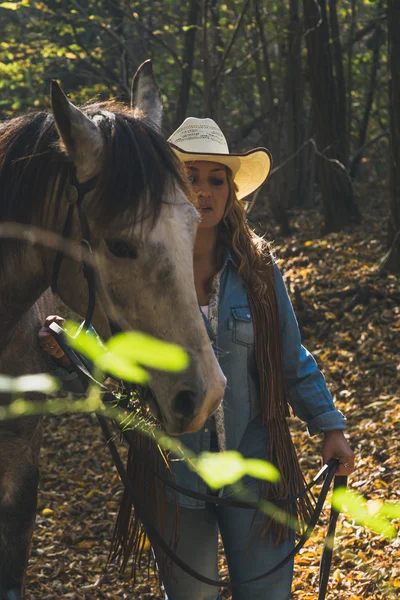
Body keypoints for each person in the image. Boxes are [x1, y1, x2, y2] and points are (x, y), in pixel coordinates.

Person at [39, 117, 355, 600]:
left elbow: (291, 359)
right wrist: (72, 352)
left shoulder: (258, 270)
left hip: (256, 466)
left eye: (216, 179)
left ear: (230, 191)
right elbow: (118, 361)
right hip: (172, 475)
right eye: (190, 176)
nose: (204, 192)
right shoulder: (143, 267)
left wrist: (330, 427)